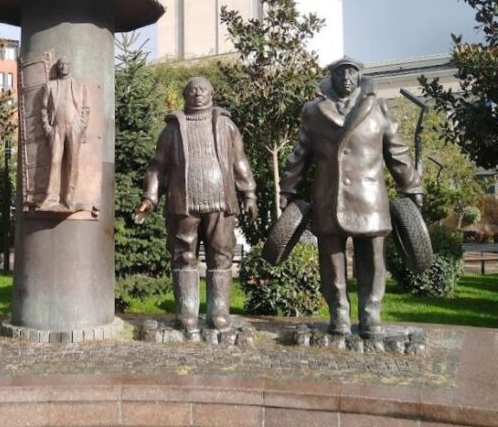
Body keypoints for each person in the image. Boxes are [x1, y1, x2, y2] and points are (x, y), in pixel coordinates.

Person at [279, 57, 423, 337]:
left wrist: (412, 186)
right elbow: (300, 154)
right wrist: (287, 188)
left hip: (369, 198)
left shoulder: (380, 108)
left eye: (352, 72)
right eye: (340, 72)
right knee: (331, 262)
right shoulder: (313, 111)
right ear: (330, 78)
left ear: (359, 77)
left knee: (372, 259)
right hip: (328, 197)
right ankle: (339, 314)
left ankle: (371, 314)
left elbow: (398, 153)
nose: (346, 77)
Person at [135, 77, 257, 337]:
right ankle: (187, 313)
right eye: (192, 90)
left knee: (221, 256)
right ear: (185, 95)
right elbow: (157, 166)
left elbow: (240, 161)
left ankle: (219, 313)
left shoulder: (225, 125)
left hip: (220, 203)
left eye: (203, 90)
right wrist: (150, 198)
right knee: (183, 256)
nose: (198, 94)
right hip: (184, 204)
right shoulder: (172, 130)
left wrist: (249, 194)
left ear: (212, 93)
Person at [39, 56, 89, 212]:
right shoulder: (50, 86)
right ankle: (51, 197)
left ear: (70, 66)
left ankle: (69, 197)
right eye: (60, 64)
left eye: (66, 64)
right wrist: (47, 128)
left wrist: (80, 126)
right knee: (54, 161)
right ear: (58, 67)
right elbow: (43, 109)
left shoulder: (80, 86)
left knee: (72, 162)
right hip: (56, 128)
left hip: (74, 127)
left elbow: (86, 109)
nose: (63, 67)